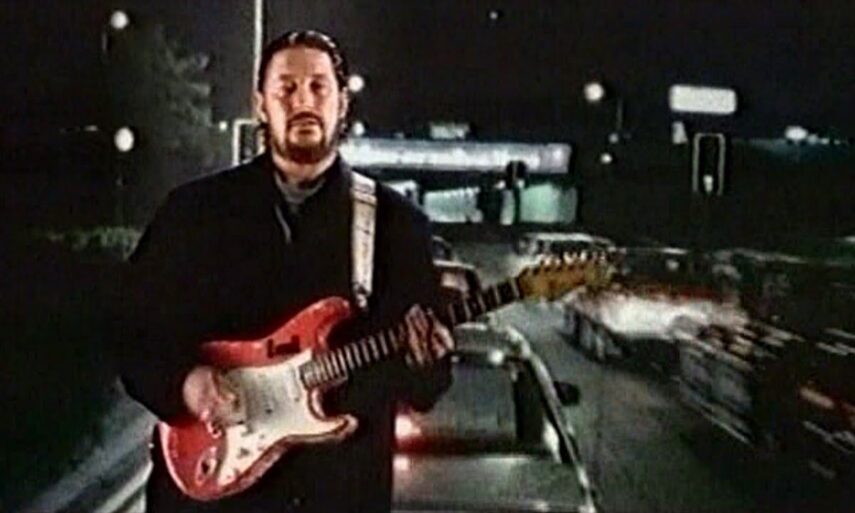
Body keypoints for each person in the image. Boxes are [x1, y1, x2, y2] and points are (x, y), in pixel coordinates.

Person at [120, 30, 453, 513]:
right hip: (210, 497)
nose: (304, 101)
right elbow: (131, 331)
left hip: (337, 496)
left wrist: (427, 363)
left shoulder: (398, 226)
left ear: (342, 103)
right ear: (260, 104)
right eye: (287, 88)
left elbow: (424, 389)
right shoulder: (193, 213)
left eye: (319, 87)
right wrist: (186, 383)